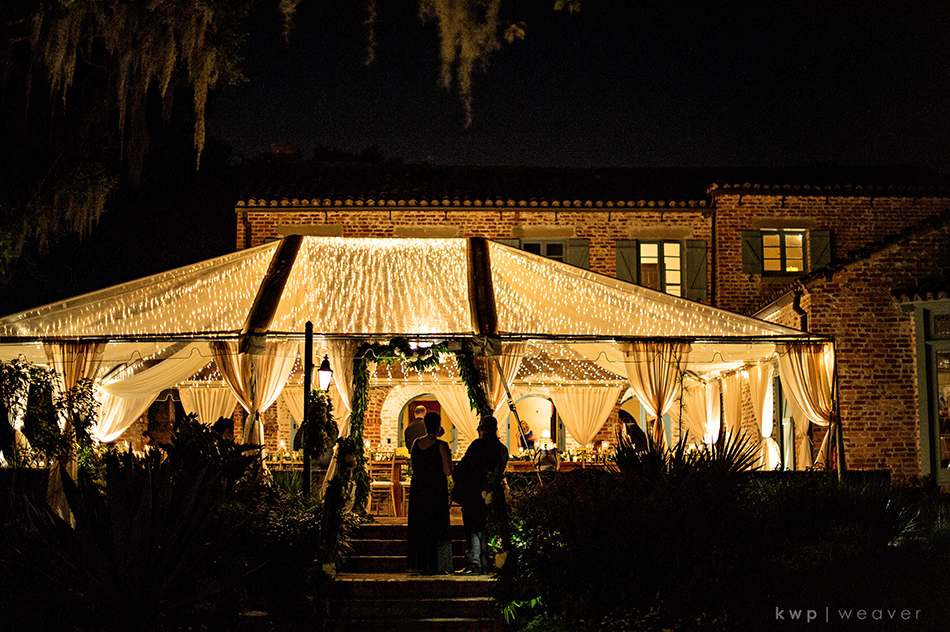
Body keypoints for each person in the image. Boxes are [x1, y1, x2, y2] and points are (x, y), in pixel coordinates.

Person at [452, 415, 509, 575]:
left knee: (474, 528)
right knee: (489, 528)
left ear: (482, 428)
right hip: (493, 493)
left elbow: (465, 467)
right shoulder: (501, 449)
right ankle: (487, 562)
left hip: (474, 492)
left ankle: (475, 564)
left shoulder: (477, 445)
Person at [406, 411, 454, 575]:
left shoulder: (415, 443)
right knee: (436, 525)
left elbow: (414, 466)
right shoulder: (442, 446)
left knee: (420, 525)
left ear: (425, 425)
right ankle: (437, 563)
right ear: (439, 426)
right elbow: (448, 471)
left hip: (419, 488)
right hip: (435, 489)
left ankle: (419, 562)